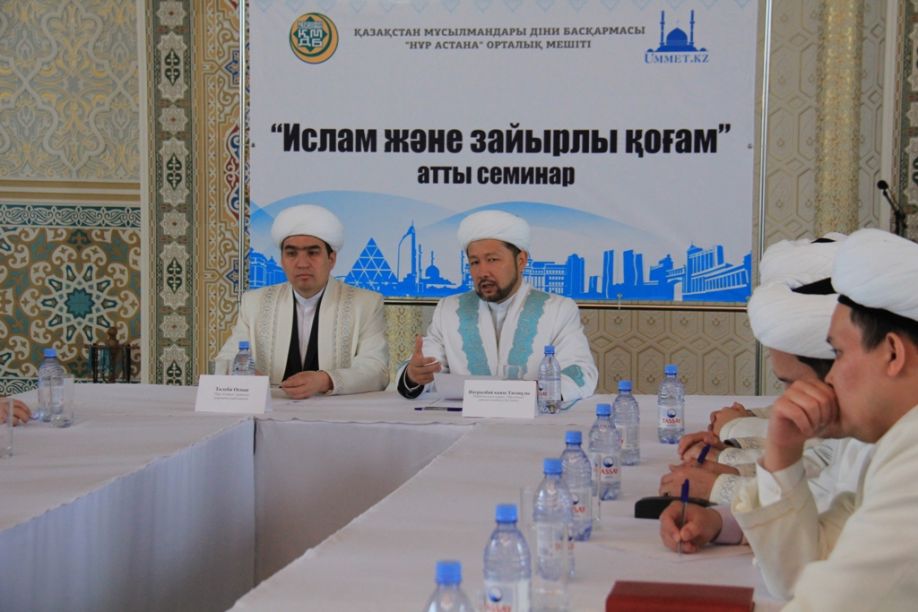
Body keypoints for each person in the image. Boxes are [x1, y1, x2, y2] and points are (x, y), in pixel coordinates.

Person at [673, 229, 918, 608]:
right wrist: (782, 455)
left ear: (892, 353)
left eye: (839, 354)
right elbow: (802, 574)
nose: (831, 379)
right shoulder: (889, 442)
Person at [396, 210, 597, 401]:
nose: (483, 272)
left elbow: (580, 371)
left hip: (532, 419)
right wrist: (415, 375)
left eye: (492, 260)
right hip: (464, 420)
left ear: (521, 260)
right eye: (475, 262)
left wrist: (533, 393)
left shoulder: (558, 309)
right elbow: (426, 368)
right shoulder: (449, 309)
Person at [216, 204, 388, 398]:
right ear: (282, 260)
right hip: (272, 409)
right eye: (291, 254)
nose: (302, 263)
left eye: (312, 253)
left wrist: (326, 380)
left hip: (335, 412)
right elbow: (226, 360)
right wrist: (242, 373)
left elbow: (376, 370)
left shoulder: (365, 304)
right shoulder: (254, 303)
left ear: (331, 259)